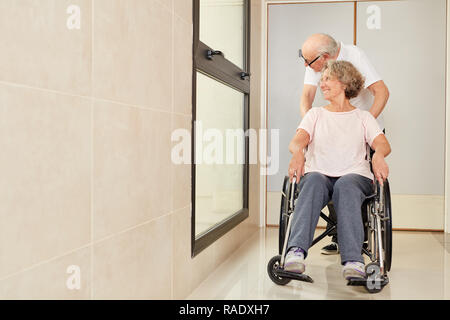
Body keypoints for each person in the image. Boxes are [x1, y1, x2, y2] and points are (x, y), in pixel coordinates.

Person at [285, 60, 391, 280]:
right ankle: (295, 252)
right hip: (319, 175)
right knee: (313, 181)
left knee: (346, 184)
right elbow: (298, 140)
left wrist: (378, 155)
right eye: (321, 80)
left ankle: (353, 260)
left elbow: (382, 144)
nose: (322, 84)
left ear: (344, 83)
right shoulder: (315, 115)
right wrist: (297, 153)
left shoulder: (363, 117)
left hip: (354, 176)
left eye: (327, 79)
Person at [299, 33, 390, 255]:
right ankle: (338, 235)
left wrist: (362, 123)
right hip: (329, 126)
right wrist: (308, 128)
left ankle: (356, 241)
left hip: (362, 123)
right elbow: (307, 97)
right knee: (324, 174)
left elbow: (382, 92)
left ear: (325, 57)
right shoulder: (315, 65)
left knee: (350, 180)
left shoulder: (355, 56)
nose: (306, 66)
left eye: (309, 61)